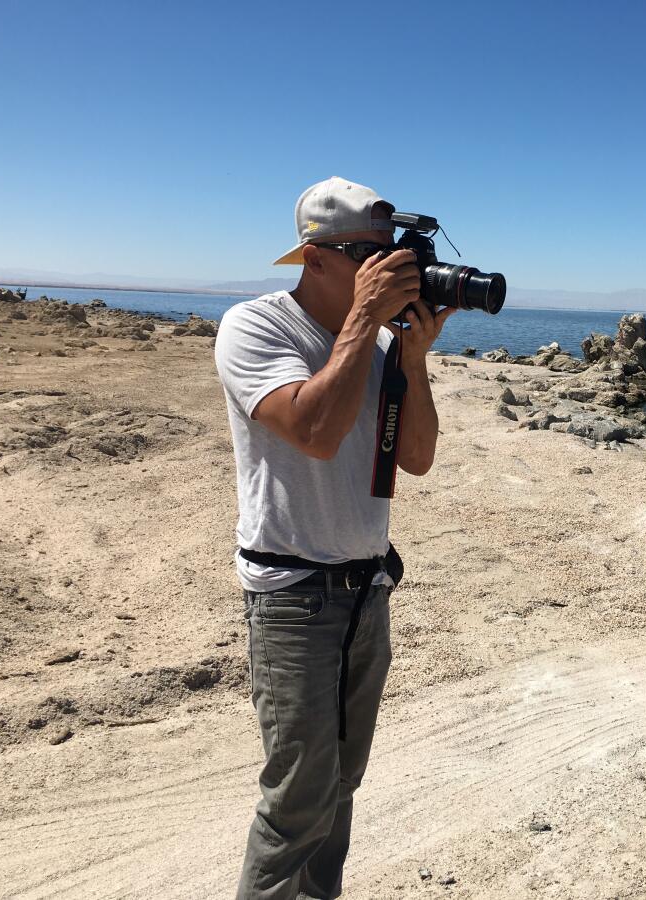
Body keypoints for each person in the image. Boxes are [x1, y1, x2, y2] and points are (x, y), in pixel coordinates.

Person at [214, 176, 456, 899]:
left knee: (342, 787)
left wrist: (409, 357)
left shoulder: (379, 348)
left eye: (395, 257)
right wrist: (365, 325)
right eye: (369, 256)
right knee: (297, 802)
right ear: (314, 258)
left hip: (366, 591)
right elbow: (314, 433)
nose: (390, 272)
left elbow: (416, 457)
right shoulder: (256, 327)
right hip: (292, 595)